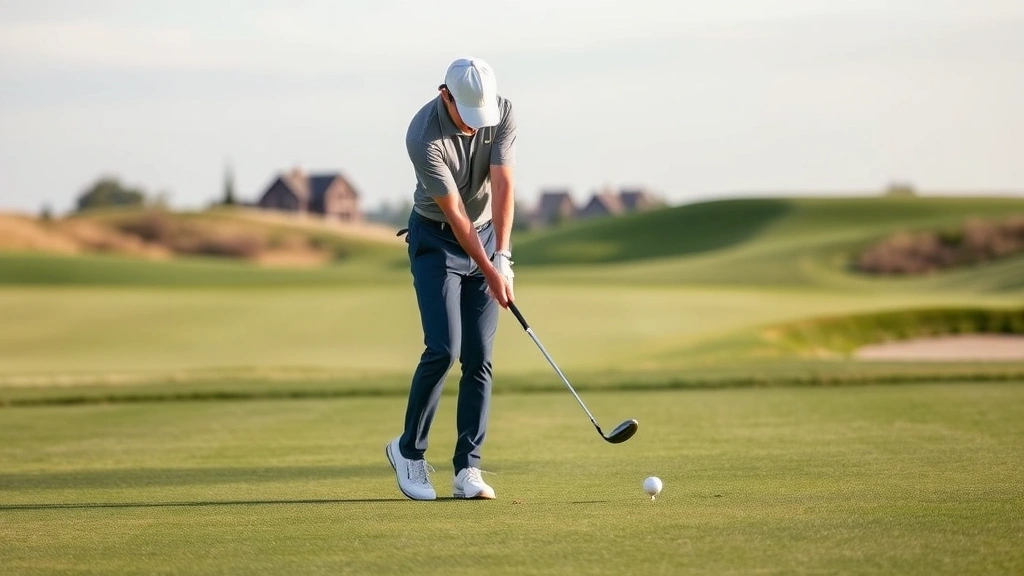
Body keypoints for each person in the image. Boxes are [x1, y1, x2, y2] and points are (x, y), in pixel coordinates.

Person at [386, 57, 517, 501]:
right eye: (465, 113)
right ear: (445, 95)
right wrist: (488, 269)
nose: (474, 125)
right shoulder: (422, 135)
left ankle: (468, 469)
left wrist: (504, 258)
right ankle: (409, 452)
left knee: (479, 357)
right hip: (436, 241)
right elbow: (457, 215)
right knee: (444, 348)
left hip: (485, 237)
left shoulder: (502, 113)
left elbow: (502, 186)